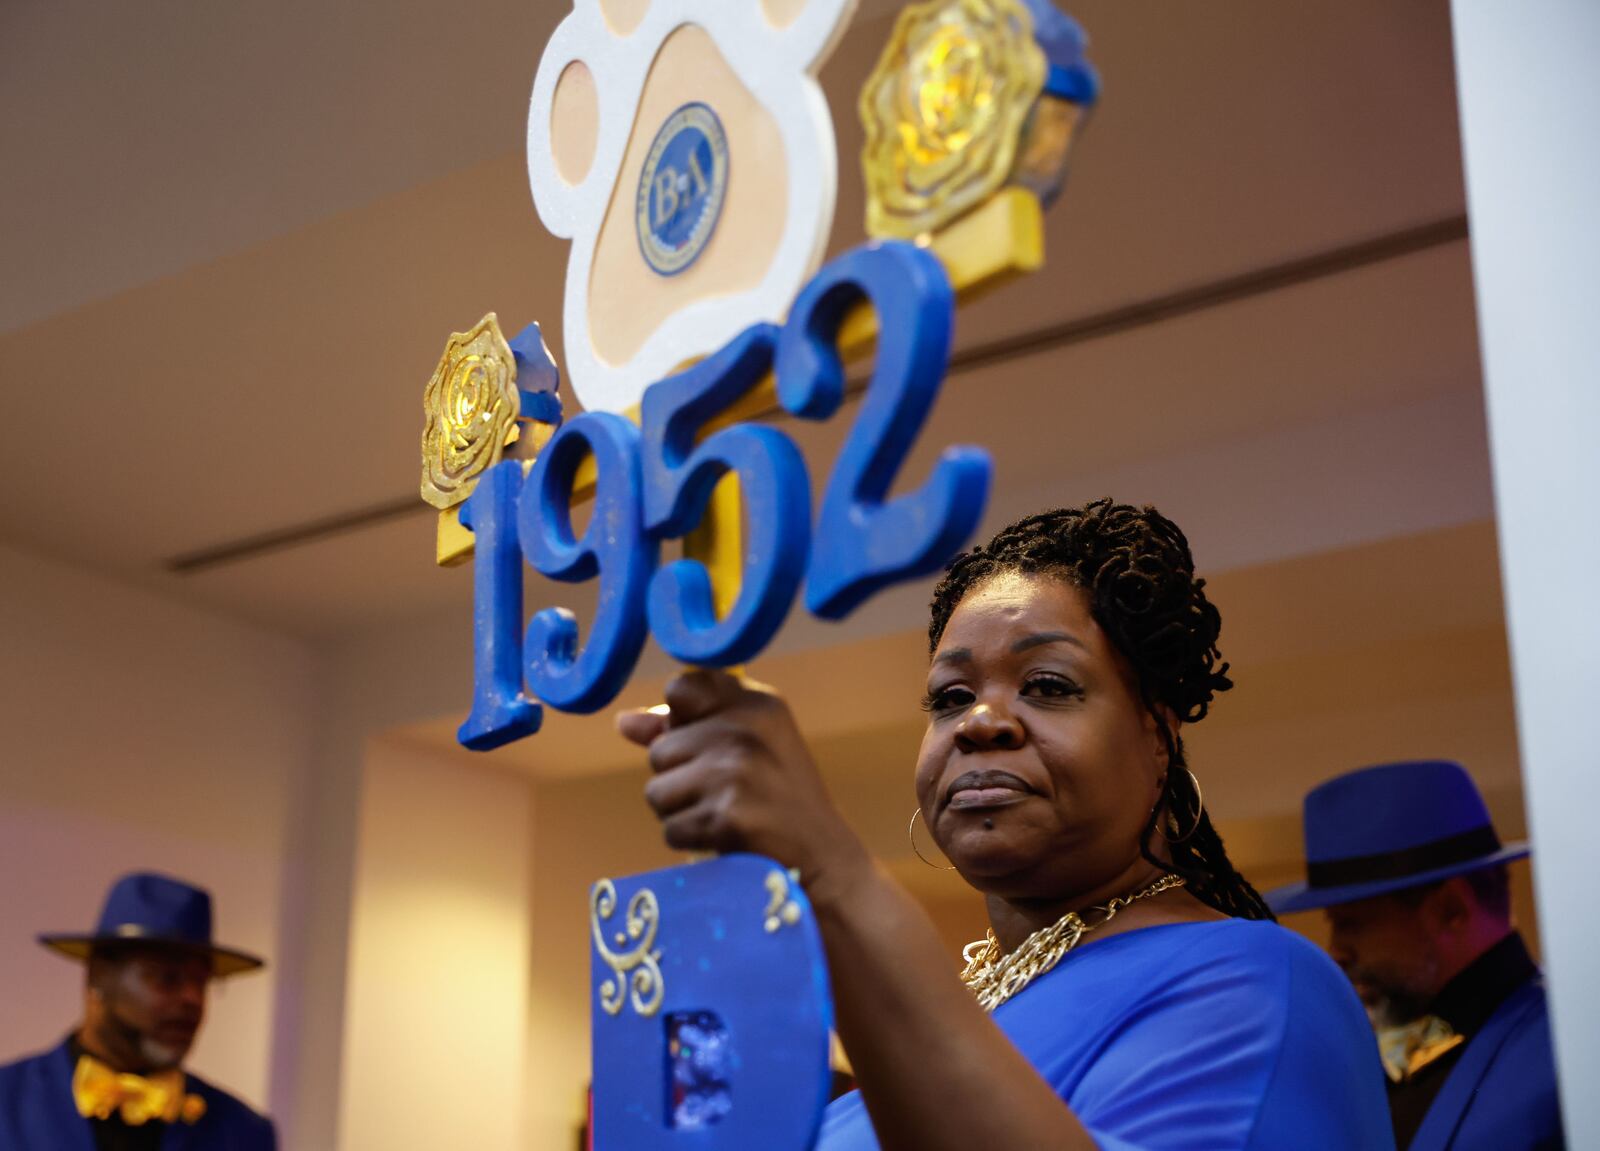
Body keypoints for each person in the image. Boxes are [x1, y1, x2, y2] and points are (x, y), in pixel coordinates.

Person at [618, 500, 1394, 1150]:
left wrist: (833, 874)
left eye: (1048, 684)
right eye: (951, 696)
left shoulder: (1261, 982)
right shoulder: (955, 1007)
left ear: (1158, 738)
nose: (979, 722)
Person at [1266, 761, 1565, 1151]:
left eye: (1352, 923)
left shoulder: (1572, 1041)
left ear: (1450, 909)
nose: (1335, 951)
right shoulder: (1356, 1065)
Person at [0, 871, 277, 1150]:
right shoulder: (6, 1103)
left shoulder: (244, 1133)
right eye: (166, 977)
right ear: (97, 976)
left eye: (201, 981)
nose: (192, 998)